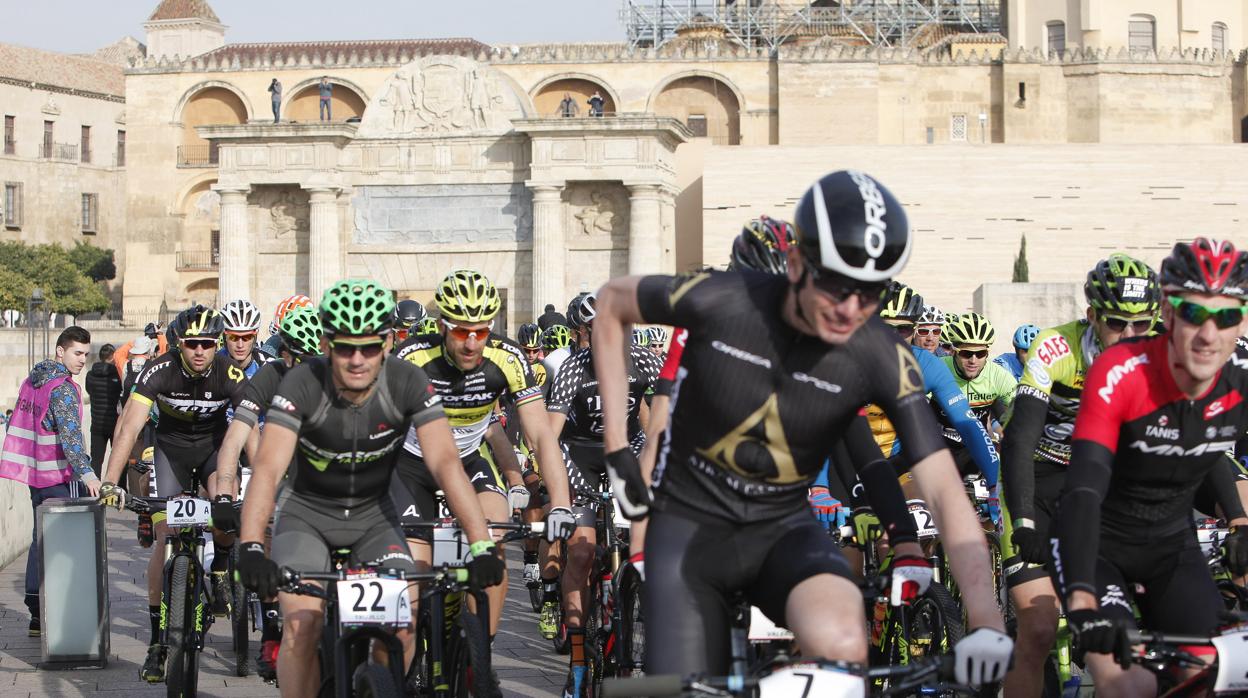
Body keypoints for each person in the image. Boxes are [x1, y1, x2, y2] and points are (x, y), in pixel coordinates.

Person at [592, 170, 1011, 686]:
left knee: (844, 640)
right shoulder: (724, 298)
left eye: (871, 291)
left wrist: (986, 619)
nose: (852, 308)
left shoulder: (880, 352)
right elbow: (612, 303)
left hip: (780, 528)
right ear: (796, 262)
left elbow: (944, 488)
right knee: (684, 682)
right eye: (837, 284)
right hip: (689, 529)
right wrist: (616, 446)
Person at [234, 280, 504, 697]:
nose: (357, 360)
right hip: (307, 517)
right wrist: (251, 545)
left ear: (389, 341)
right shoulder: (300, 384)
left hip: (375, 519)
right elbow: (268, 469)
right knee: (301, 628)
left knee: (403, 629)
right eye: (344, 348)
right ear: (326, 344)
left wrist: (482, 544)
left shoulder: (409, 381)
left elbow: (446, 463)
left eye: (370, 347)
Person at [1053, 238, 1248, 697]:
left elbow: (1219, 460)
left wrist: (1240, 521)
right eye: (1194, 313)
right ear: (1167, 311)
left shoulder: (1241, 373)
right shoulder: (1123, 370)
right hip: (1096, 545)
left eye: (1226, 316)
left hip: (1171, 548)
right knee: (1130, 685)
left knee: (1214, 677)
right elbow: (1083, 486)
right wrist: (1082, 601)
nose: (1209, 334)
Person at [999, 253, 1160, 697]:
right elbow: (1019, 439)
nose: (1130, 335)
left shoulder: (1156, 356)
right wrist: (1025, 520)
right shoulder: (1055, 348)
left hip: (1095, 484)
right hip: (1037, 477)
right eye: (1116, 323)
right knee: (1037, 628)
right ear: (1091, 316)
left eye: (1142, 324)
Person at [392, 270, 577, 637]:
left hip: (469, 461)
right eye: (461, 331)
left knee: (492, 559)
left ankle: (478, 662)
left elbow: (541, 433)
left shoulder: (507, 356)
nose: (472, 343)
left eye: (482, 330)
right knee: (413, 576)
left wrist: (560, 502)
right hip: (413, 464)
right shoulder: (411, 357)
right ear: (443, 325)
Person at [98, 305, 249, 683]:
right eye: (192, 344)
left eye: (208, 344)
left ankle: (219, 567)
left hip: (215, 451)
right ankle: (155, 642)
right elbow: (129, 428)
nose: (200, 351)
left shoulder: (231, 375)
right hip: (170, 453)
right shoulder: (157, 371)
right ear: (179, 344)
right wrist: (110, 482)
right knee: (163, 538)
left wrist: (262, 483)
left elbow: (251, 433)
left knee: (224, 507)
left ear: (218, 345)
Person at [544, 291, 663, 697]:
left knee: (642, 545)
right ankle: (578, 662)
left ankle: (634, 615)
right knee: (580, 551)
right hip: (577, 457)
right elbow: (550, 435)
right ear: (586, 334)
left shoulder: (645, 360)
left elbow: (660, 418)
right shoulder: (573, 369)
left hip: (623, 454)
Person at [212, 303, 322, 680]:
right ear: (284, 351)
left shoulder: (341, 373)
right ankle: (273, 626)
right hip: (285, 477)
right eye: (298, 359)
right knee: (270, 538)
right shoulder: (270, 376)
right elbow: (235, 437)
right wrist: (225, 493)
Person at [0, 326, 94, 637]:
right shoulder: (62, 388)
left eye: (86, 354)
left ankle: (35, 610)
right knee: (66, 547)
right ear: (60, 351)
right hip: (60, 476)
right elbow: (70, 438)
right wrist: (88, 474)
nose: (82, 360)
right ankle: (62, 613)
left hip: (34, 477)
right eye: (77, 353)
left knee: (39, 539)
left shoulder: (33, 381)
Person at [85, 343, 122, 478]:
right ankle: (119, 488)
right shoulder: (118, 375)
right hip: (114, 424)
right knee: (119, 458)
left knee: (96, 461)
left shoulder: (90, 375)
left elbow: (89, 391)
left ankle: (93, 492)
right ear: (113, 357)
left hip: (97, 425)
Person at [220, 299, 272, 379]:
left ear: (255, 338)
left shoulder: (268, 365)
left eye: (247, 337)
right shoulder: (212, 364)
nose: (240, 345)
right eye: (233, 337)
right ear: (224, 338)